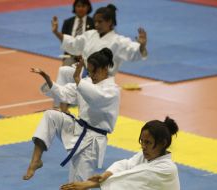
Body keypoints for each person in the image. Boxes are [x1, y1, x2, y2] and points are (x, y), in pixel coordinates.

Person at [23, 48, 120, 182]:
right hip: (77, 129)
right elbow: (64, 93)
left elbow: (95, 98)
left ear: (104, 69)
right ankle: (36, 160)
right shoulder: (87, 82)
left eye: (94, 71)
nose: (91, 75)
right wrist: (48, 79)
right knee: (50, 116)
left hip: (92, 142)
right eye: (89, 71)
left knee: (77, 183)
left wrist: (77, 80)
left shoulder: (112, 91)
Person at [52, 4, 148, 111]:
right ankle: (62, 109)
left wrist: (142, 46)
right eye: (95, 21)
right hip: (85, 74)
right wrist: (56, 32)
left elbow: (133, 52)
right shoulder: (90, 35)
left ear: (110, 22)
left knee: (86, 112)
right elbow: (73, 44)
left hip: (102, 81)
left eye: (100, 22)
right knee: (64, 71)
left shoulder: (118, 41)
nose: (96, 25)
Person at [59, 116, 180, 190]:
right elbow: (126, 165)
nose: (143, 146)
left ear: (163, 143)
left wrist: (87, 184)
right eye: (142, 141)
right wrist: (105, 175)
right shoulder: (147, 155)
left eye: (148, 142)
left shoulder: (167, 169)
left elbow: (130, 178)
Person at [60, 0, 94, 66]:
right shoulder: (67, 22)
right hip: (70, 55)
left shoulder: (93, 22)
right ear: (74, 7)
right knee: (64, 70)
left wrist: (84, 54)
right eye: (78, 6)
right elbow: (64, 41)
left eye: (83, 6)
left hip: (88, 56)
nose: (81, 8)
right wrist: (74, 53)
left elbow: (94, 42)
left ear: (88, 7)